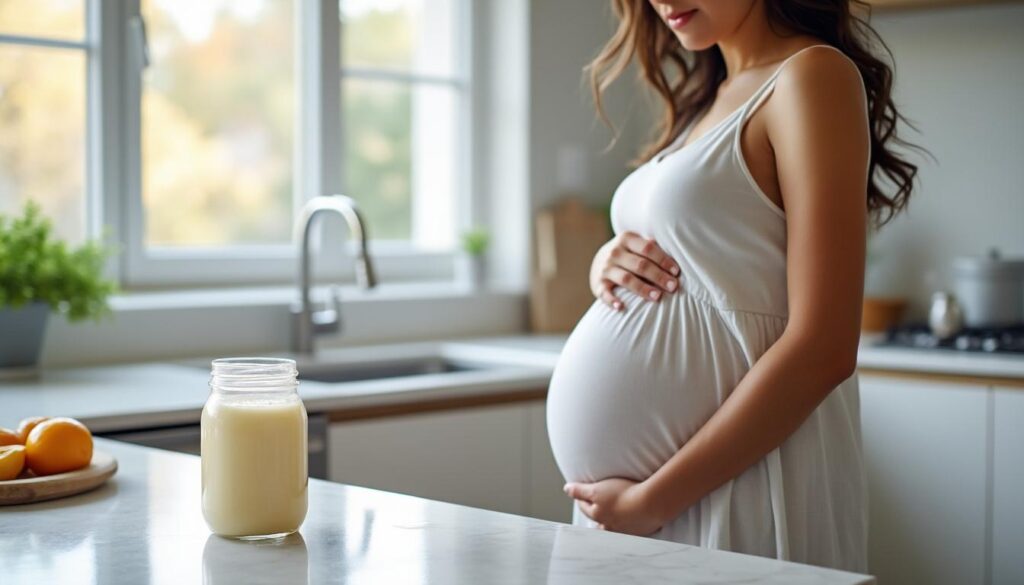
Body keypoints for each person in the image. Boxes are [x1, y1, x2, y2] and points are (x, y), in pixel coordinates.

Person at [545, 0, 922, 573]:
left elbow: (824, 348)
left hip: (728, 483)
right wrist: (609, 260)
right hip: (647, 505)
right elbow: (705, 254)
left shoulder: (810, 75)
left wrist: (654, 499)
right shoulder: (711, 97)